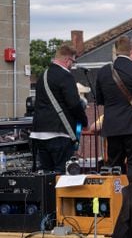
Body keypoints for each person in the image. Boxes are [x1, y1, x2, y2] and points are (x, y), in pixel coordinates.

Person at [95, 36, 132, 190]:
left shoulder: (103, 72)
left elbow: (100, 99)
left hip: (112, 127)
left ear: (116, 51)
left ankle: (116, 201)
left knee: (114, 167)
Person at [30, 43, 88, 173]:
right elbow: (74, 104)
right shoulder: (66, 76)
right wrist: (84, 122)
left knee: (46, 176)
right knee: (62, 175)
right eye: (73, 61)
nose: (72, 65)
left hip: (39, 133)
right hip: (59, 133)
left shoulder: (42, 76)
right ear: (68, 60)